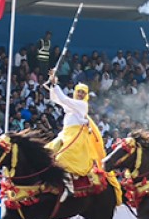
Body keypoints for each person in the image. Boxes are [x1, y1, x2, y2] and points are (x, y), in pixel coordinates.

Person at [46, 69, 121, 203]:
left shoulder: (82, 105)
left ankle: (68, 188)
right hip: (65, 135)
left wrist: (55, 85)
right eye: (78, 92)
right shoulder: (71, 106)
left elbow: (63, 99)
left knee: (63, 158)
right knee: (48, 153)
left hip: (76, 137)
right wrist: (53, 84)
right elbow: (56, 99)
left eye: (83, 93)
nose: (80, 94)